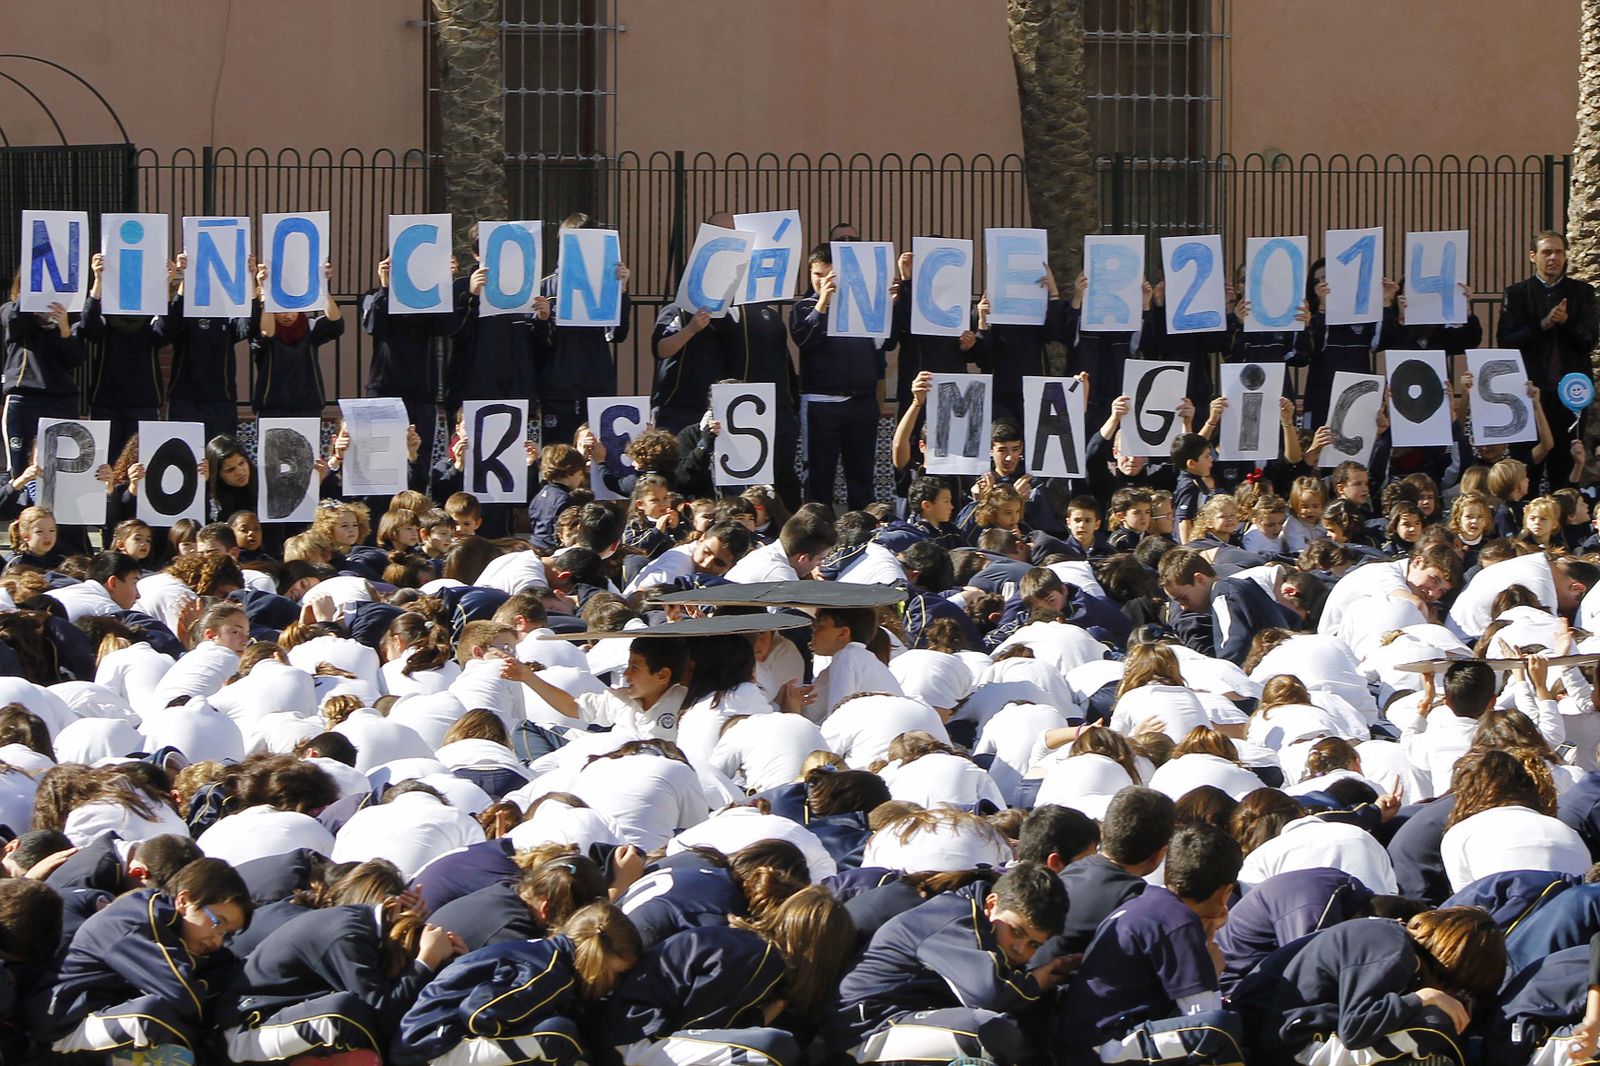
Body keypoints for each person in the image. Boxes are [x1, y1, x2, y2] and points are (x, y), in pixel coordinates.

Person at [828, 861, 1070, 1066]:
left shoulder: (982, 924)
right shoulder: (955, 914)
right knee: (987, 1030)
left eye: (1034, 944)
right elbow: (988, 996)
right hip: (863, 1031)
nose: (1020, 948)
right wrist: (1034, 982)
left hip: (897, 1022)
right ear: (991, 904)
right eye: (1016, 931)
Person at [1058, 823, 1247, 1065]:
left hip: (1087, 1039)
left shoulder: (1145, 904)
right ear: (1225, 893)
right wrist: (1211, 971)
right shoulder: (1178, 921)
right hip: (1104, 1047)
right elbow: (1202, 1013)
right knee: (1220, 1028)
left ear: (1167, 871)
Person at [792, 244, 889, 509]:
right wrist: (823, 303)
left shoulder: (862, 308)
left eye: (830, 275)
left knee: (861, 474)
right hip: (821, 403)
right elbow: (804, 340)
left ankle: (861, 525)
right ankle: (817, 527)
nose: (824, 281)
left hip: (861, 402)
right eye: (818, 274)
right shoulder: (804, 307)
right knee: (819, 475)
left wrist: (889, 305)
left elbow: (885, 344)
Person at [1498, 229, 1599, 456]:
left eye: (1559, 252)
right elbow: (1505, 341)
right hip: (1529, 393)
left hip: (1570, 394)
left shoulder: (1582, 292)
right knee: (1527, 460)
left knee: (1565, 461)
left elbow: (1589, 341)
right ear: (1533, 256)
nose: (1554, 257)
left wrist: (1566, 322)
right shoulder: (1516, 294)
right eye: (1547, 252)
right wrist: (1542, 325)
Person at [1, 280, 84, 479]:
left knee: (62, 471)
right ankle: (20, 500)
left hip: (61, 402)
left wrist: (64, 328)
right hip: (24, 400)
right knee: (20, 470)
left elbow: (75, 359)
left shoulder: (70, 319)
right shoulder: (11, 310)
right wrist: (32, 291)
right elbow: (13, 320)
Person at [250, 260, 345, 419]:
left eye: (293, 309)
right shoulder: (260, 330)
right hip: (272, 408)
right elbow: (267, 334)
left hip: (308, 406)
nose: (289, 316)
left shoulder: (309, 328)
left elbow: (336, 324)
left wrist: (321, 288)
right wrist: (267, 293)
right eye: (281, 310)